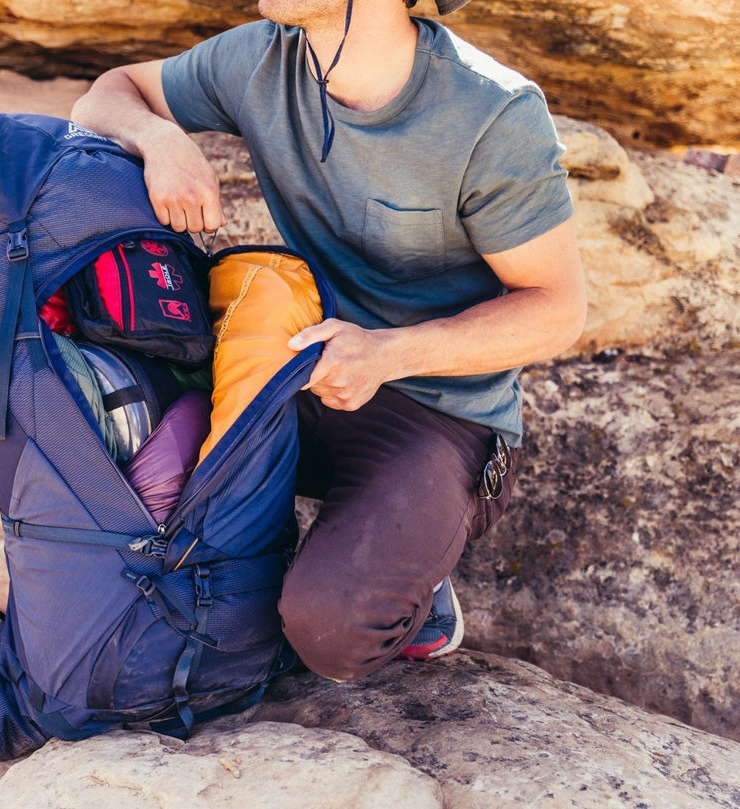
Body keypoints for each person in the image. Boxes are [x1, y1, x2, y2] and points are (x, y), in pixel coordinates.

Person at [71, 0, 586, 682]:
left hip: (438, 409)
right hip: (303, 365)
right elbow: (109, 92)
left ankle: (416, 579)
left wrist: (388, 352)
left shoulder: (493, 112)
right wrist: (158, 139)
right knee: (104, 414)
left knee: (329, 629)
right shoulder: (260, 57)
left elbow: (559, 309)